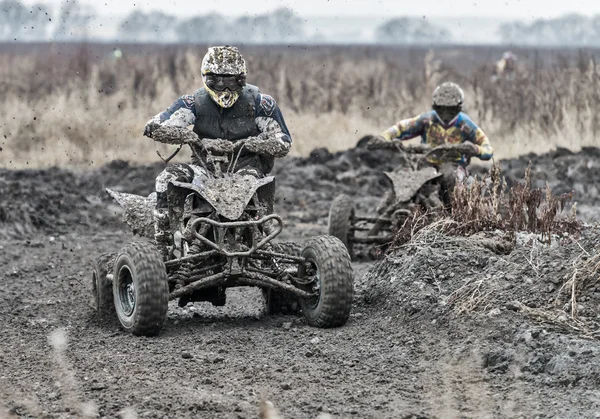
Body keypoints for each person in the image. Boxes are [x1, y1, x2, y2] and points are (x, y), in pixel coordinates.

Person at [143, 46, 292, 257]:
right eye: (216, 79)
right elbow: (154, 126)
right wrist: (184, 135)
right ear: (206, 78)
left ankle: (262, 246)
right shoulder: (192, 103)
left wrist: (255, 143)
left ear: (241, 78)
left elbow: (284, 141)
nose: (223, 86)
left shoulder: (261, 104)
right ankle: (164, 247)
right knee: (165, 178)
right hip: (202, 169)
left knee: (250, 188)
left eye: (230, 80)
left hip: (246, 168)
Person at [369, 82, 493, 205]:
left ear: (459, 108)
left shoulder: (465, 125)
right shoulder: (427, 120)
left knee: (452, 179)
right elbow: (402, 127)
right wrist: (383, 137)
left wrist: (475, 149)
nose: (445, 114)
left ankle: (454, 212)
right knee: (403, 176)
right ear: (435, 107)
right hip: (424, 162)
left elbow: (487, 148)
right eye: (441, 109)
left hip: (452, 164)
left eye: (450, 110)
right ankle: (390, 206)